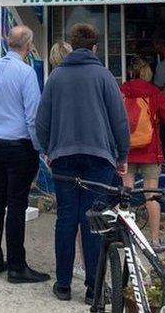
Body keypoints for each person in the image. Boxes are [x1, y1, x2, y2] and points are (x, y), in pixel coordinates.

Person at [36, 23, 129, 303]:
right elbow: (119, 120)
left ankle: (63, 285)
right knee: (93, 221)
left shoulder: (56, 78)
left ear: (73, 46)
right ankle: (94, 288)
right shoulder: (104, 76)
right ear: (95, 48)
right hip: (99, 158)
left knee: (66, 219)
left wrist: (48, 149)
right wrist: (122, 156)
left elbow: (42, 121)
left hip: (63, 157)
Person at [0, 25, 50, 284]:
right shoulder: (26, 73)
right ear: (28, 47)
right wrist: (40, 146)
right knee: (16, 205)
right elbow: (33, 117)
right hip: (20, 146)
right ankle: (17, 266)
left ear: (9, 43)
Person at [120, 57, 165, 252]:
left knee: (126, 194)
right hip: (150, 152)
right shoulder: (154, 93)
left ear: (130, 72)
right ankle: (154, 241)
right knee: (151, 195)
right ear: (148, 73)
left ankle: (125, 237)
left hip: (126, 151)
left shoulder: (121, 91)